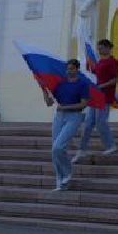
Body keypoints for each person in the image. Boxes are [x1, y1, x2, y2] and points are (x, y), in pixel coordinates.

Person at [44, 58, 91, 191]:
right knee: (55, 150)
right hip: (59, 117)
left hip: (74, 117)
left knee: (58, 147)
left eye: (72, 69)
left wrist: (66, 107)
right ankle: (60, 180)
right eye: (68, 69)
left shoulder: (82, 84)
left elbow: (83, 104)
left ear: (77, 69)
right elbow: (49, 103)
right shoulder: (61, 84)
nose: (69, 71)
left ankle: (67, 172)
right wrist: (44, 90)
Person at [75, 39, 118, 160]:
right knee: (88, 123)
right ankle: (82, 149)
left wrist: (102, 86)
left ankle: (111, 145)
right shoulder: (99, 62)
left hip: (105, 96)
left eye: (101, 48)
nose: (99, 50)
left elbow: (115, 79)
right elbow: (94, 73)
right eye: (98, 48)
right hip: (95, 96)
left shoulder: (112, 61)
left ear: (108, 48)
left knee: (101, 122)